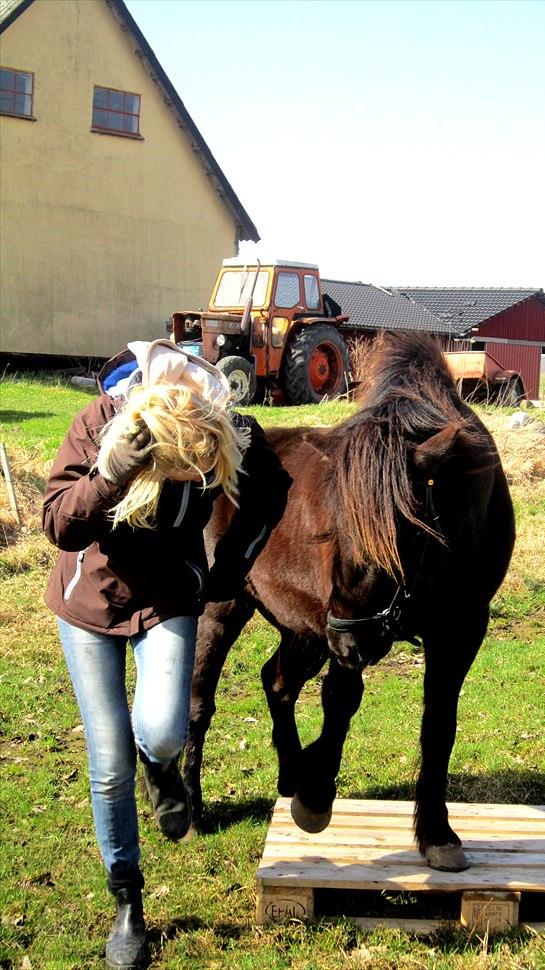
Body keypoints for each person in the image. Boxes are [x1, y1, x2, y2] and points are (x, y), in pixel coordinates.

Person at [42, 340, 291, 968]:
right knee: (106, 764)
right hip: (90, 604)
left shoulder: (220, 428)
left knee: (161, 730)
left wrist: (231, 566)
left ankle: (162, 767)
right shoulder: (100, 425)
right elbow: (58, 524)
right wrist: (109, 476)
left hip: (170, 599)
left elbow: (270, 488)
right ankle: (128, 902)